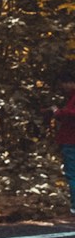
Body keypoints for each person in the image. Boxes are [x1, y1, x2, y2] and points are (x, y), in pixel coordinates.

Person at [53, 72, 75, 216]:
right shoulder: (71, 98)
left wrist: (57, 112)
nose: (64, 88)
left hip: (71, 140)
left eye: (64, 85)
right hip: (69, 139)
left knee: (72, 174)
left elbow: (70, 114)